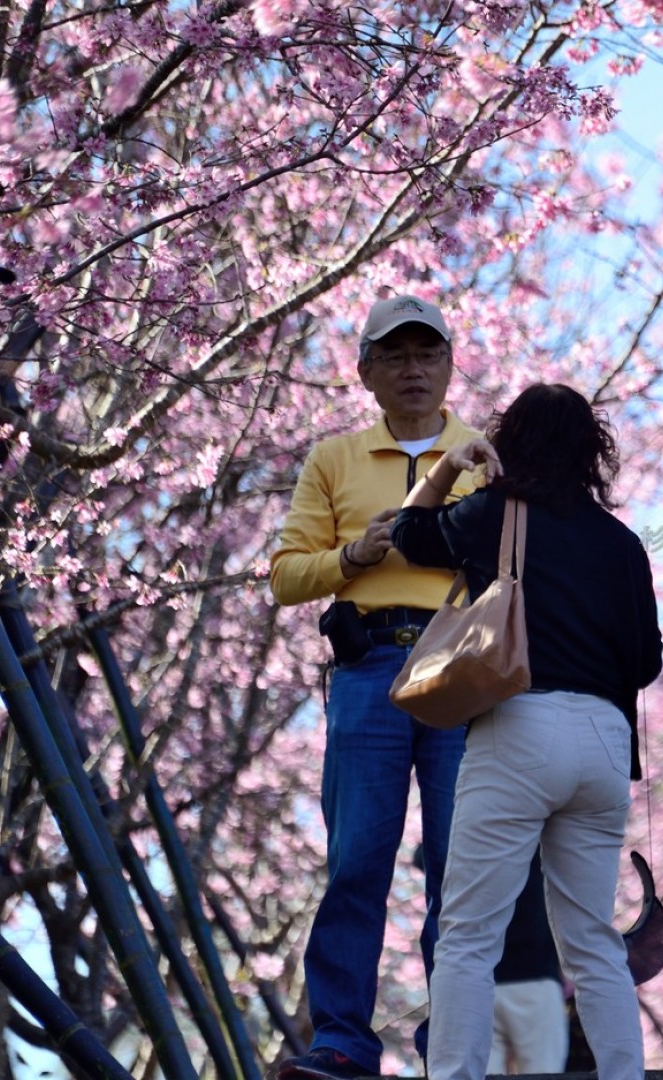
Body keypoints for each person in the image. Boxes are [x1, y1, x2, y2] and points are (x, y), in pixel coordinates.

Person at [389, 382, 663, 1080]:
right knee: (594, 943)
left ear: (513, 440)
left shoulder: (497, 513)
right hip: (604, 742)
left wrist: (449, 466)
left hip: (521, 724)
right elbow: (647, 661)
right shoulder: (624, 544)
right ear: (591, 451)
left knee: (469, 936)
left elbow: (409, 534)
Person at [269, 294, 487, 1079]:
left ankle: (454, 1045)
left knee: (460, 866)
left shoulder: (487, 454)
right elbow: (286, 576)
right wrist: (351, 560)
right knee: (358, 856)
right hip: (367, 669)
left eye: (427, 353)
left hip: (462, 669)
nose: (413, 370)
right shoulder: (334, 459)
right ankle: (342, 1042)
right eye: (393, 356)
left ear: (451, 364)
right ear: (365, 372)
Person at [490, 853, 569, 1075]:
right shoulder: (543, 842)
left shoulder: (473, 831)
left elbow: (425, 856)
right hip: (537, 975)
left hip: (479, 977)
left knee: (480, 1072)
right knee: (543, 1071)